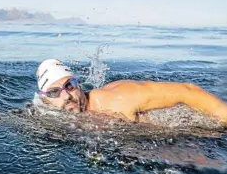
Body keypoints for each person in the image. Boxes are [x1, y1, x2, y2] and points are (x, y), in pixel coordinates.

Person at [36, 59, 227, 125]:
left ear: (79, 84)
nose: (66, 95)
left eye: (69, 85)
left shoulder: (116, 98)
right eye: (54, 92)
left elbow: (188, 91)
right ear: (45, 101)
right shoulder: (50, 116)